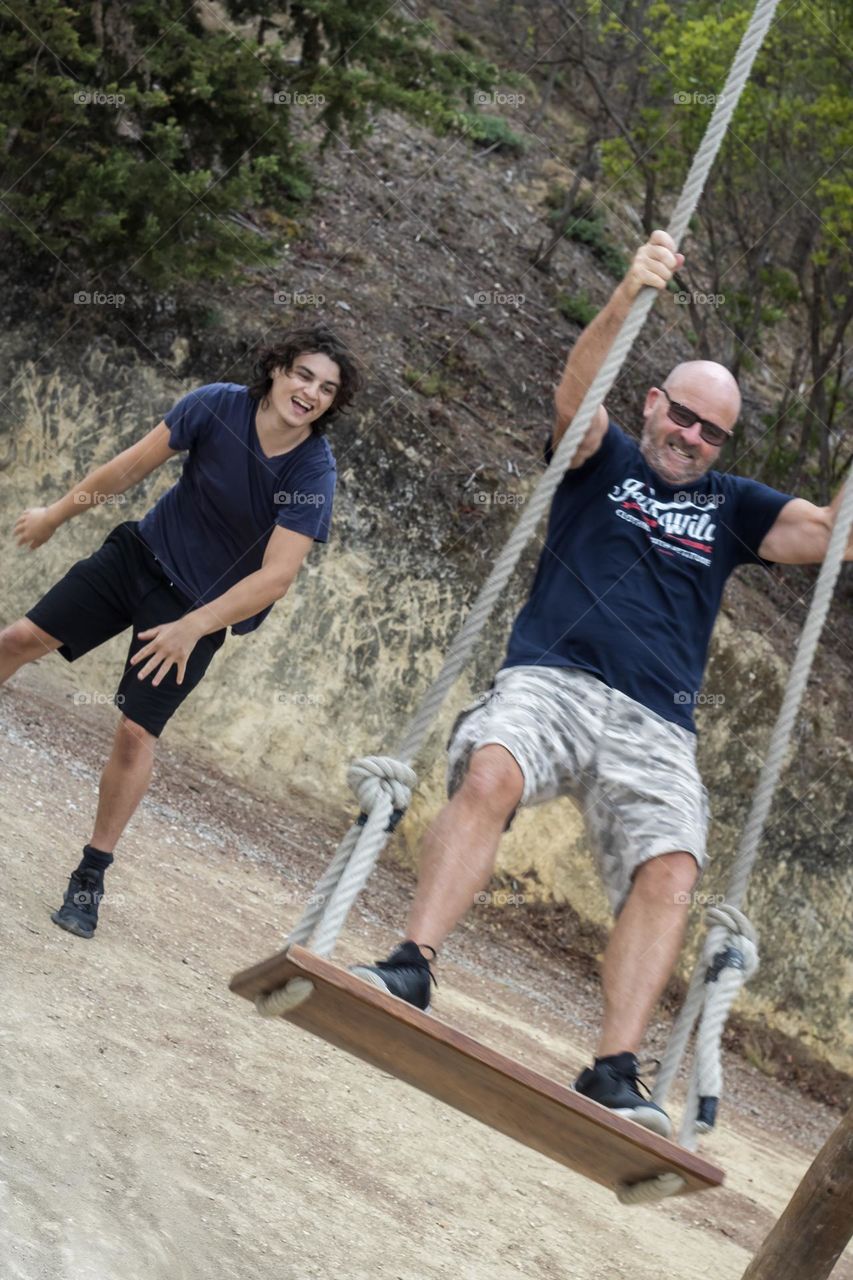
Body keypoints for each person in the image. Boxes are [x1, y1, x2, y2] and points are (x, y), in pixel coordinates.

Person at [352, 231, 852, 1137]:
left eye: (711, 431)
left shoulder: (731, 506)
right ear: (654, 402)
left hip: (656, 723)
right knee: (493, 769)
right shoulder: (603, 458)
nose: (691, 437)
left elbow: (831, 532)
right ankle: (410, 962)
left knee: (672, 869)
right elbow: (575, 392)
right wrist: (627, 292)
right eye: (682, 416)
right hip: (553, 677)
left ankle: (614, 1069)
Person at [1, 326, 361, 940]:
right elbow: (129, 467)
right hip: (139, 555)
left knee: (137, 733)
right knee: (17, 641)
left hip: (200, 608)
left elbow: (276, 577)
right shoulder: (215, 405)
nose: (310, 392)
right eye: (303, 375)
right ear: (276, 369)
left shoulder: (312, 471)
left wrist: (191, 627)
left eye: (326, 389)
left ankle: (90, 875)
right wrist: (56, 514)